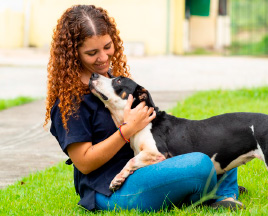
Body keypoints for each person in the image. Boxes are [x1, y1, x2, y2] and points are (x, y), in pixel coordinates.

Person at [44, 4, 246, 212]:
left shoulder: (112, 84)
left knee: (219, 137)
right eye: (92, 52)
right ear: (73, 54)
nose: (103, 58)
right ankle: (207, 190)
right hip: (111, 189)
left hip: (146, 168)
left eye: (107, 47)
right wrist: (127, 130)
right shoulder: (69, 103)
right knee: (200, 164)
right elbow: (84, 163)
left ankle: (222, 195)